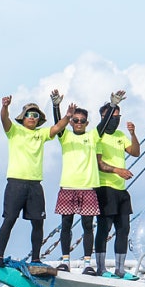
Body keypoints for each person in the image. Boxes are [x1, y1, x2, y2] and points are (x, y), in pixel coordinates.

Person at [0, 95, 71, 268]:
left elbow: (57, 127)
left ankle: (35, 258)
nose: (32, 118)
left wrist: (67, 116)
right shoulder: (14, 131)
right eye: (29, 114)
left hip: (35, 185)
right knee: (9, 219)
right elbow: (4, 119)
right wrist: (5, 106)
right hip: (15, 183)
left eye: (36, 116)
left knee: (38, 222)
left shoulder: (41, 134)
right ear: (23, 117)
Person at [51, 89, 112, 273]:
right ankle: (65, 261)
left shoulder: (92, 136)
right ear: (71, 122)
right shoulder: (65, 136)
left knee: (87, 225)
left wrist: (113, 105)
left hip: (87, 188)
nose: (78, 123)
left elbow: (104, 123)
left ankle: (87, 263)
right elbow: (57, 124)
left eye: (82, 121)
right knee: (66, 224)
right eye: (75, 120)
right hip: (68, 186)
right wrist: (56, 106)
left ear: (87, 123)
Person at [94, 91, 140, 279]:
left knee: (123, 229)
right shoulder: (98, 136)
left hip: (121, 190)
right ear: (104, 118)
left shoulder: (120, 135)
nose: (116, 120)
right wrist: (117, 171)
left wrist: (133, 133)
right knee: (104, 229)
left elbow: (135, 152)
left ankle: (120, 270)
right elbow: (98, 163)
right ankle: (101, 268)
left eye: (118, 117)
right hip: (105, 188)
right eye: (112, 116)